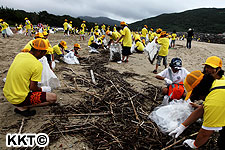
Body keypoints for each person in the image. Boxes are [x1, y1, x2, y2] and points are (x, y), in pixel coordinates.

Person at [169, 70, 225, 149]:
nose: (198, 98)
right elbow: (202, 109)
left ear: (200, 91)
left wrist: (194, 145)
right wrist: (182, 126)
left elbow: (205, 133)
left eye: (196, 96)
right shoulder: (218, 85)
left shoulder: (214, 102)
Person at [3, 38, 57, 117]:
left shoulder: (20, 55)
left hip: (8, 93)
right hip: (19, 99)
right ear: (39, 51)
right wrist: (42, 89)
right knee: (53, 98)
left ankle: (21, 104)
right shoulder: (37, 65)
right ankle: (22, 107)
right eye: (44, 52)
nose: (45, 54)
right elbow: (33, 88)